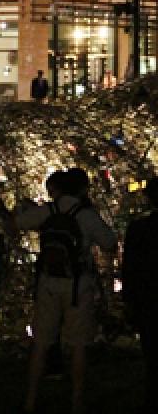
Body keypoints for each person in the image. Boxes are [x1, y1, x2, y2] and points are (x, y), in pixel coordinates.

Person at [11, 170, 116, 414]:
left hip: (48, 283)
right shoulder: (86, 215)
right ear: (82, 189)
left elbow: (14, 224)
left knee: (41, 343)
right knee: (79, 344)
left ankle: (30, 399)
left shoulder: (48, 211)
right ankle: (76, 401)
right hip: (78, 285)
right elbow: (109, 242)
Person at [123, 176, 158, 414]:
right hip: (148, 296)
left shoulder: (138, 229)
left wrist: (130, 300)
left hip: (149, 297)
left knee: (152, 353)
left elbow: (130, 268)